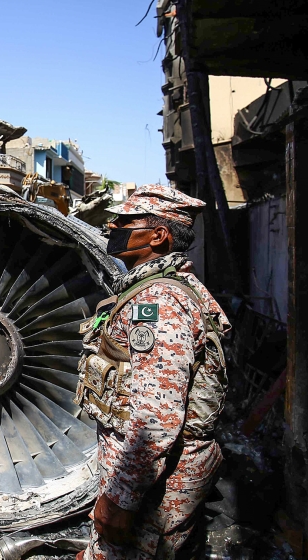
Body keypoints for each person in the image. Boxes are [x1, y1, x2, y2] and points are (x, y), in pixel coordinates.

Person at [75, 184, 231, 560]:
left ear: (159, 235)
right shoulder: (159, 289)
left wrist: (119, 500)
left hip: (157, 481)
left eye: (126, 221)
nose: (112, 227)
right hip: (149, 475)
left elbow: (156, 419)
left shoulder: (157, 300)